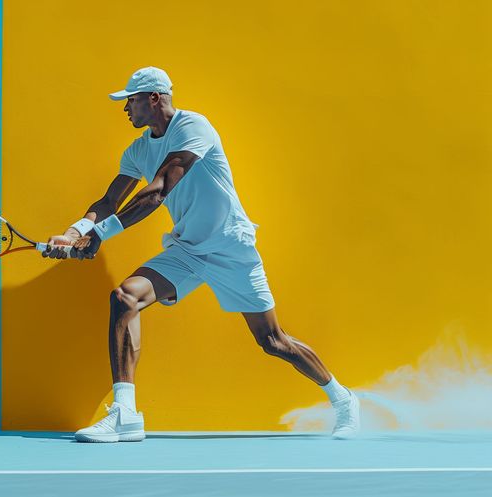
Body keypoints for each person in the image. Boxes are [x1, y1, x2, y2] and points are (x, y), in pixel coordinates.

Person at [42, 67, 360, 442]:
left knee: (273, 341)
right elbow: (110, 200)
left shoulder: (193, 126)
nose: (126, 108)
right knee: (125, 297)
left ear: (154, 98)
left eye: (131, 100)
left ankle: (343, 400)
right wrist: (74, 232)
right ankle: (126, 415)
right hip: (187, 250)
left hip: (230, 247)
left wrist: (100, 235)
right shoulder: (138, 150)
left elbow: (159, 189)